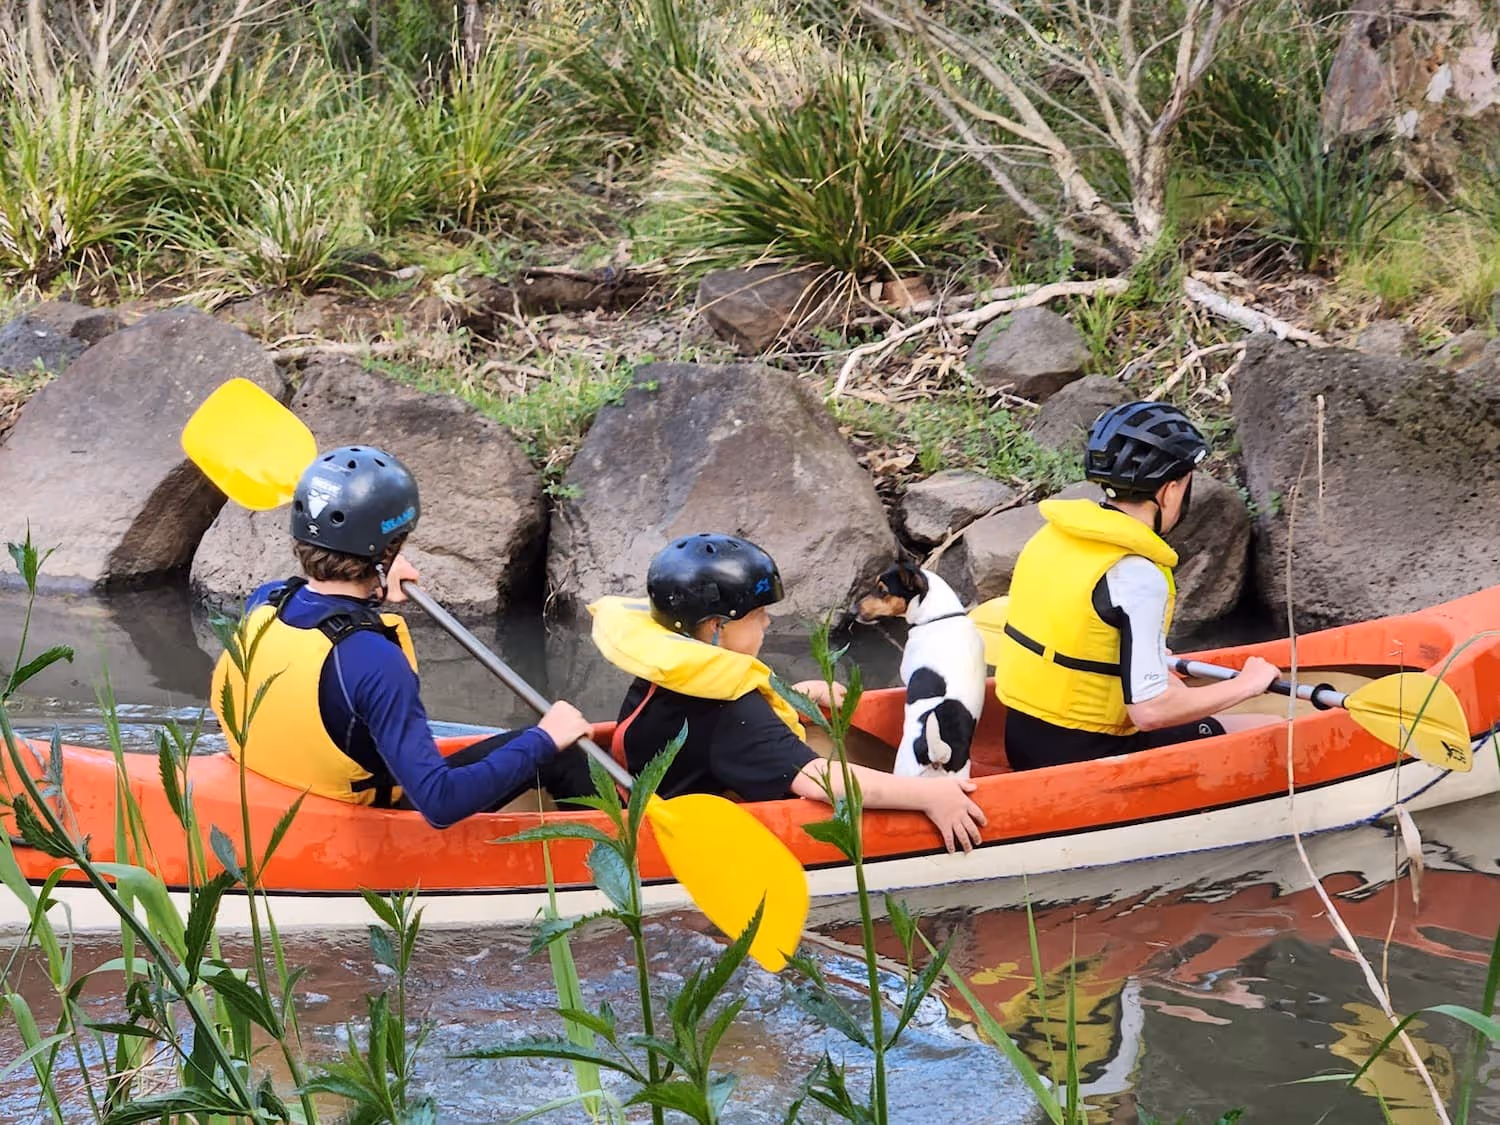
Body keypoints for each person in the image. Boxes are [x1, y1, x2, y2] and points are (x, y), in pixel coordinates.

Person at [210, 445, 594, 827]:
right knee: (563, 753)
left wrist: (375, 577)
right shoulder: (374, 661)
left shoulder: (266, 602)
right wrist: (546, 739)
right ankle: (618, 844)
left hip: (286, 795)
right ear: (391, 547)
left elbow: (326, 611)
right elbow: (440, 803)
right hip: (363, 825)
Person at [589, 533, 988, 853]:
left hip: (662, 783)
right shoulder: (731, 712)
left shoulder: (671, 667)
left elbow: (727, 727)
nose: (767, 621)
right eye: (757, 614)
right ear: (716, 627)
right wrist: (931, 796)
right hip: (685, 830)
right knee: (833, 755)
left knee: (823, 734)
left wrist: (790, 696)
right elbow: (818, 780)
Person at [995, 401, 1281, 771]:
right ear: (1170, 491)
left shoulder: (1052, 537)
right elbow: (1150, 712)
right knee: (1272, 727)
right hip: (1083, 754)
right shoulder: (1137, 574)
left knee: (1185, 697)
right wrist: (1248, 684)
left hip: (1021, 738)